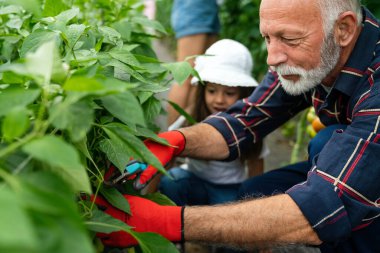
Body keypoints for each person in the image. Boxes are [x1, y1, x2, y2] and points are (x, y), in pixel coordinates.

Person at [94, 0, 380, 252]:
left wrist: (168, 221)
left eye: (289, 38)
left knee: (324, 147)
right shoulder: (312, 54)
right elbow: (245, 121)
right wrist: (172, 141)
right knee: (255, 190)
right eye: (268, 38)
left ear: (343, 29)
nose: (272, 57)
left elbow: (317, 210)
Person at [160, 39, 265, 206]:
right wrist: (149, 198)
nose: (219, 100)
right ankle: (176, 218)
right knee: (171, 181)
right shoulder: (191, 116)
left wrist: (253, 204)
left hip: (229, 187)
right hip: (194, 180)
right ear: (202, 90)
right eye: (211, 91)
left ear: (243, 93)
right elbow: (167, 151)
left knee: (227, 219)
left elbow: (255, 163)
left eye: (229, 93)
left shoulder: (248, 125)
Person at [166, 0, 222, 125]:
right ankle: (170, 137)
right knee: (185, 75)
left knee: (202, 75)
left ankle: (186, 130)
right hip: (195, 5)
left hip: (209, 5)